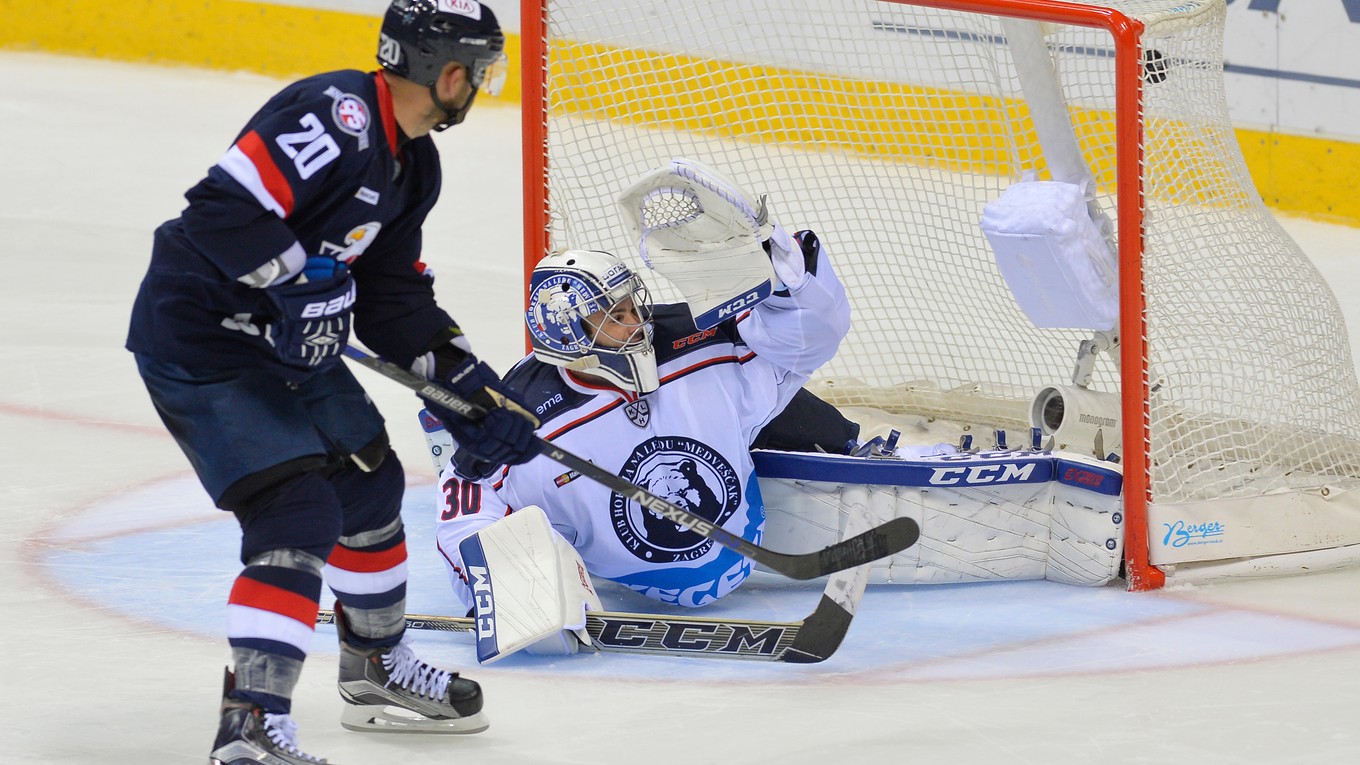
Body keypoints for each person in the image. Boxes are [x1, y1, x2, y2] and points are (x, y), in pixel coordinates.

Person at [125, 1, 538, 762]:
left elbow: (391, 297)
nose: (480, 84)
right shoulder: (338, 115)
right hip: (205, 341)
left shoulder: (415, 164)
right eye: (477, 69)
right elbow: (218, 209)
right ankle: (250, 725)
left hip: (292, 352)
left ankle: (374, 667)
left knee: (370, 484)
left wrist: (467, 389)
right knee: (296, 509)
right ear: (448, 73)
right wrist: (292, 281)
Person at [431, 221, 852, 650]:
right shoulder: (523, 411)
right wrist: (504, 591)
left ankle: (853, 449)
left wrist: (793, 284)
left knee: (784, 402)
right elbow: (464, 498)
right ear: (566, 330)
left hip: (745, 514)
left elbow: (803, 341)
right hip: (623, 571)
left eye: (634, 306)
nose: (637, 323)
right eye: (616, 315)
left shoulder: (695, 337)